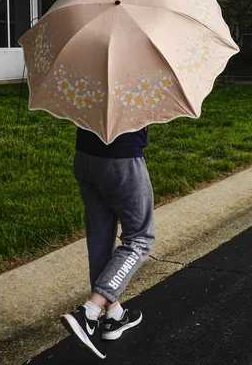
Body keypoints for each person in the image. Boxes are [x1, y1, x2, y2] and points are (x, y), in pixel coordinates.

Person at [60, 126, 155, 359]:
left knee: (100, 236)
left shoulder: (88, 86)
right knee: (140, 239)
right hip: (121, 157)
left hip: (85, 155)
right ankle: (88, 313)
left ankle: (114, 315)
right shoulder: (134, 88)